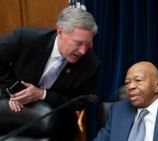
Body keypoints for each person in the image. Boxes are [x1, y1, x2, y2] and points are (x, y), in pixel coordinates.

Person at [0, 7, 100, 141]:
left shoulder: (91, 65)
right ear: (60, 31)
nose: (82, 51)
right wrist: (15, 91)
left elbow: (79, 102)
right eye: (78, 43)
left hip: (58, 126)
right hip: (10, 112)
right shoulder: (26, 38)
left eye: (88, 44)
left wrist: (42, 94)